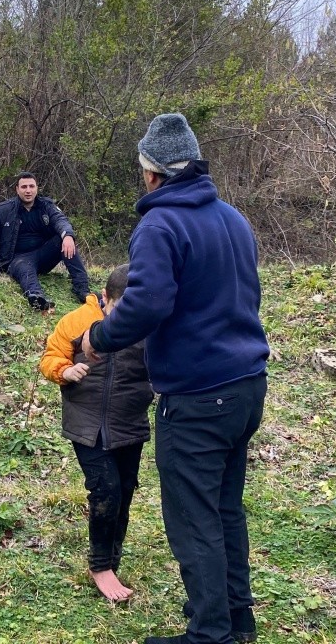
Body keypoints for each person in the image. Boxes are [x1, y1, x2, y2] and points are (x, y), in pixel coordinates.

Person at [82, 113, 270, 644]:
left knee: (193, 519)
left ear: (152, 172)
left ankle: (209, 633)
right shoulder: (233, 218)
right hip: (246, 386)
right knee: (225, 509)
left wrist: (98, 338)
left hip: (197, 397)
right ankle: (237, 622)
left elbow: (147, 302)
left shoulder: (160, 225)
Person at [39, 264, 153, 603]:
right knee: (106, 490)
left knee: (125, 491)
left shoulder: (149, 322)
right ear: (105, 298)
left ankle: (112, 561)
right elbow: (49, 358)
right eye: (120, 310)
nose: (125, 319)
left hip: (130, 423)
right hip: (87, 423)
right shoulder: (76, 321)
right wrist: (65, 369)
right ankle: (100, 565)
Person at [0, 172, 91, 310]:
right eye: (24, 187)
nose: (28, 190)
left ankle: (82, 289)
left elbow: (61, 220)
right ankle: (36, 297)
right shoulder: (3, 211)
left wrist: (68, 235)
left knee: (64, 239)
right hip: (14, 259)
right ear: (17, 189)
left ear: (36, 188)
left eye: (31, 186)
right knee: (25, 267)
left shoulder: (46, 206)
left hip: (42, 257)